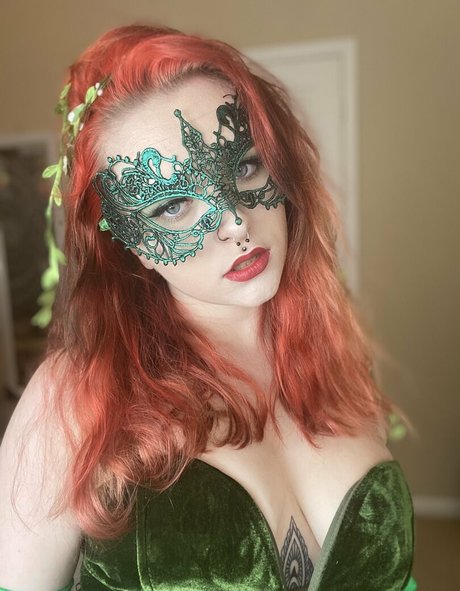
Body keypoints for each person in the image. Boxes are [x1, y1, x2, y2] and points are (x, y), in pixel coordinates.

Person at [0, 25, 416, 591]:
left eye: (243, 167)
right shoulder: (73, 400)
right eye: (173, 205)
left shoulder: (340, 361)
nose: (237, 222)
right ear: (132, 245)